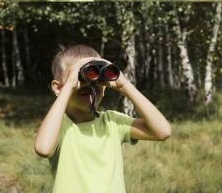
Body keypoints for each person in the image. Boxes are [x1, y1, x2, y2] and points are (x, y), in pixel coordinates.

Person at [34, 45, 171, 192]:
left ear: (104, 86)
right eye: (82, 77)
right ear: (58, 88)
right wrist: (69, 86)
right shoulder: (59, 126)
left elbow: (163, 131)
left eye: (97, 76)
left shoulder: (113, 122)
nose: (89, 84)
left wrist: (124, 85)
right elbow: (43, 148)